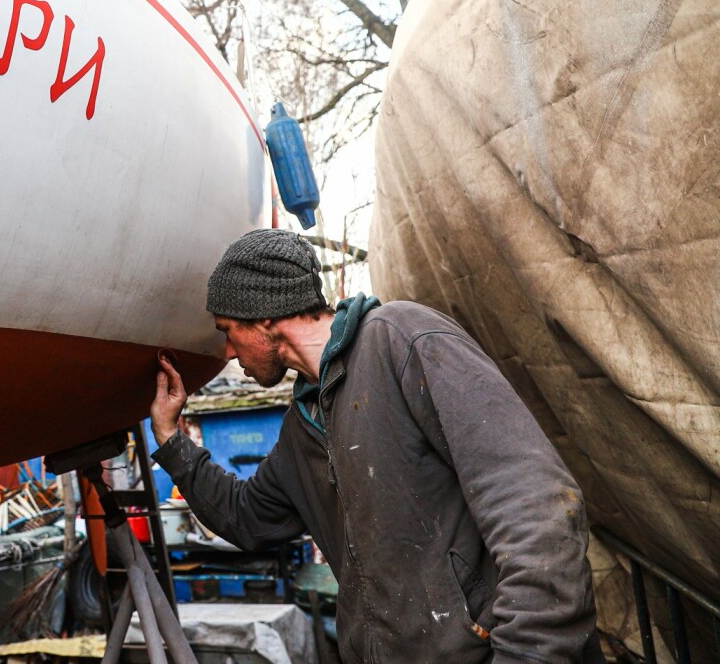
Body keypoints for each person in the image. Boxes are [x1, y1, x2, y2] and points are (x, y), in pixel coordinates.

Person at [150, 229, 602, 663]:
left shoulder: (402, 340)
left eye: (228, 330)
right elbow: (245, 516)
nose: (228, 351)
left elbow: (538, 511)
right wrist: (171, 440)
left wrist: (528, 653)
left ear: (265, 316)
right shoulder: (302, 427)